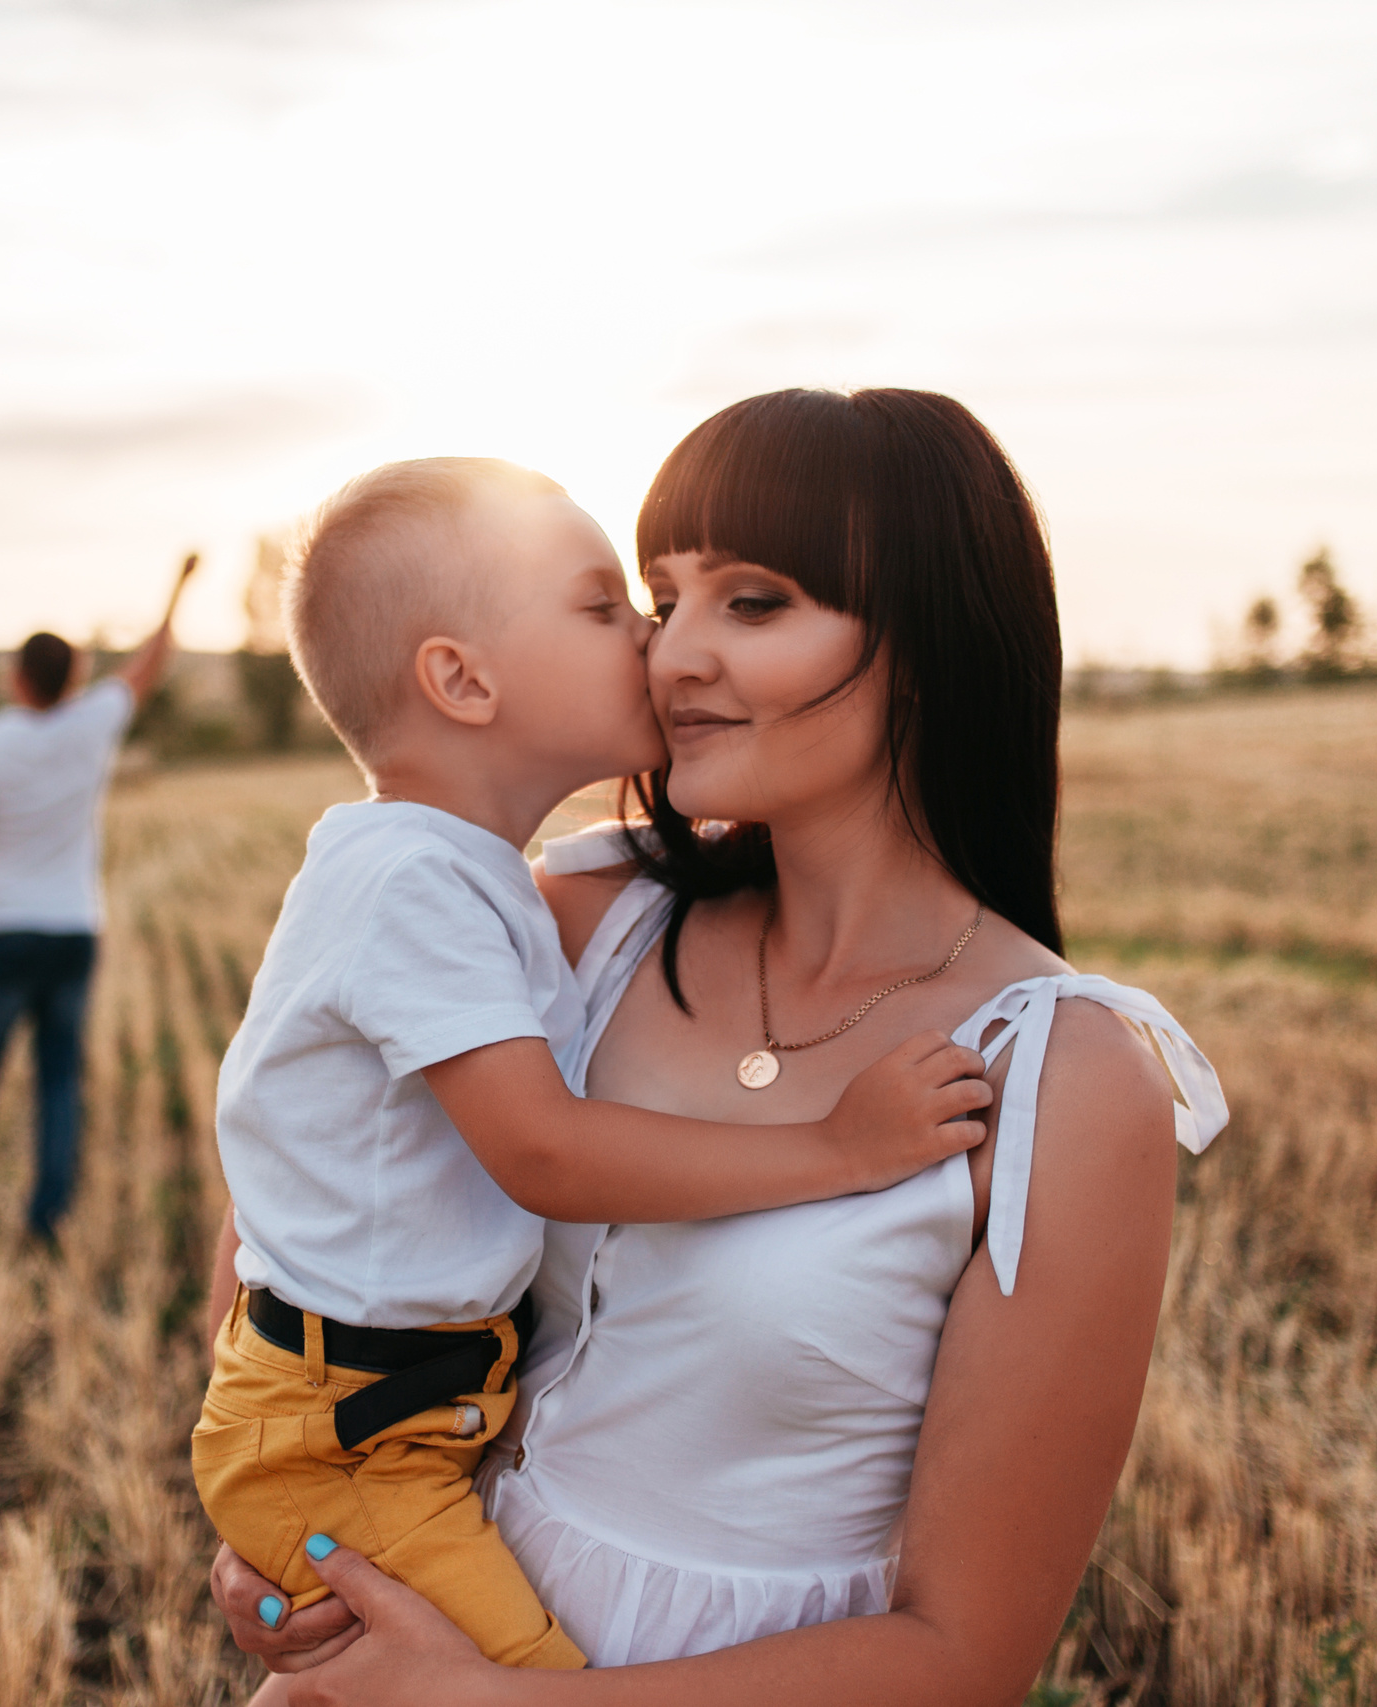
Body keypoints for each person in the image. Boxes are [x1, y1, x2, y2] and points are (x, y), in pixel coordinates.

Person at [209, 389, 1230, 1705]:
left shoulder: (1066, 1078)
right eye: (658, 596)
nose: (672, 652)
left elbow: (961, 1656)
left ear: (921, 645)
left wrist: (484, 1699)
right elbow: (293, 1183)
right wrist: (290, 1525)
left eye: (752, 602)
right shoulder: (569, 916)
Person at [0, 556, 196, 1266]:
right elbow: (149, 663)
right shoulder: (93, 723)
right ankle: (47, 1221)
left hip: (2, 933)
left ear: (15, 676)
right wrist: (178, 588)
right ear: (71, 678)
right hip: (73, 931)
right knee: (59, 1078)